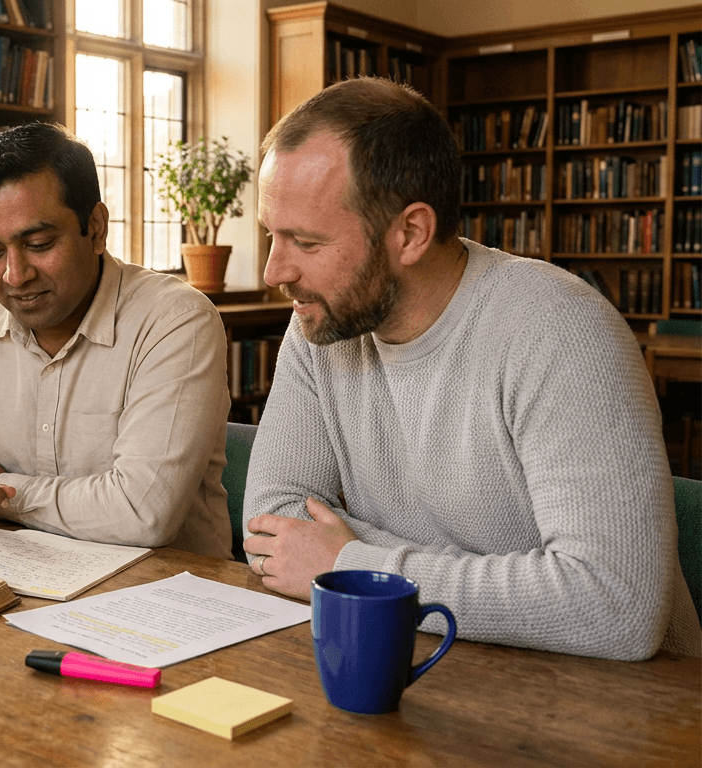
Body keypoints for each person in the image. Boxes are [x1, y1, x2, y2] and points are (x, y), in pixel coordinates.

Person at [243, 77, 701, 660]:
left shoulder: (559, 330)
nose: (274, 271)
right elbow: (268, 531)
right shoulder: (321, 324)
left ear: (410, 232)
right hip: (433, 662)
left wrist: (351, 562)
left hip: (625, 710)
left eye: (304, 242)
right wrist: (517, 586)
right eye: (270, 236)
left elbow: (615, 605)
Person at [0, 123, 232, 558]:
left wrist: (0, 490)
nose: (15, 275)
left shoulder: (175, 320)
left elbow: (142, 511)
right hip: (19, 576)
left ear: (96, 228)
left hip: (168, 592)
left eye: (39, 243)